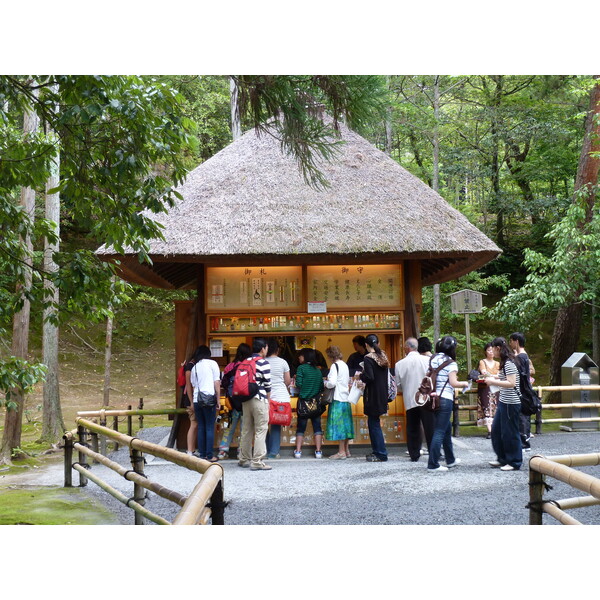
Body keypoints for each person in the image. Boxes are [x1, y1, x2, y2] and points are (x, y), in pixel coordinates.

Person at [427, 336, 470, 473]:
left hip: (433, 397)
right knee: (439, 431)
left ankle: (450, 460)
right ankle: (432, 464)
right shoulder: (451, 363)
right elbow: (453, 383)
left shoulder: (433, 359)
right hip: (445, 398)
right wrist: (464, 383)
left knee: (445, 428)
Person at [485, 337, 523, 471]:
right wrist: (493, 378)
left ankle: (514, 461)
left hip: (511, 402)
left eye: (493, 349)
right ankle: (502, 458)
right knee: (496, 430)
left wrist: (493, 382)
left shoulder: (509, 363)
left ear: (498, 348)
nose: (492, 352)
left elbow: (511, 383)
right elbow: (505, 378)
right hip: (504, 401)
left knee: (510, 432)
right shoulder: (505, 362)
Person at [395, 337, 432, 461]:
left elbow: (398, 385)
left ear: (406, 347)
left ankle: (414, 454)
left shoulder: (399, 364)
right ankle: (434, 451)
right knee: (429, 426)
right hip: (426, 397)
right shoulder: (427, 360)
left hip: (410, 398)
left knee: (412, 427)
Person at [238, 337, 272, 471]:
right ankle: (257, 461)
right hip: (259, 399)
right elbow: (268, 385)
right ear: (263, 348)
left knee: (246, 429)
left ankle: (244, 459)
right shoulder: (263, 363)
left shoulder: (245, 361)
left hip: (246, 399)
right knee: (261, 429)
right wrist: (268, 401)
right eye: (266, 348)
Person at [355, 333, 390, 462]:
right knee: (375, 423)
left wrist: (361, 376)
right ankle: (378, 451)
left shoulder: (368, 358)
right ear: (378, 343)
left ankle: (380, 453)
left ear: (366, 345)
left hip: (373, 395)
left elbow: (370, 377)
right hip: (382, 394)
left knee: (374, 424)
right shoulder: (383, 356)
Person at [217, 343, 251, 460]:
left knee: (230, 426)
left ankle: (223, 450)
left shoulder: (230, 366)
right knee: (244, 427)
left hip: (232, 402)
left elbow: (224, 383)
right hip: (246, 402)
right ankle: (240, 451)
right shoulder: (249, 366)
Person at [190, 345, 221, 462]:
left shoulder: (195, 367)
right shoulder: (212, 364)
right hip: (208, 399)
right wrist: (218, 400)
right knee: (209, 427)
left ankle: (202, 454)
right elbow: (216, 383)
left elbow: (194, 385)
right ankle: (209, 455)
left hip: (197, 399)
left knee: (201, 427)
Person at [324, 345, 354, 459]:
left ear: (331, 356)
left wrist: (324, 383)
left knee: (339, 426)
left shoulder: (334, 366)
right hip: (346, 398)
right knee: (346, 426)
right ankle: (346, 450)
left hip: (337, 398)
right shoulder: (345, 365)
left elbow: (332, 383)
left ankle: (341, 452)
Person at [294, 348, 325, 458]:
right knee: (317, 427)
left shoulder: (301, 368)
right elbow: (321, 387)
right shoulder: (317, 370)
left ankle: (298, 451)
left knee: (301, 427)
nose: (299, 357)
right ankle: (318, 451)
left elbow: (298, 384)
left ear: (305, 356)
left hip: (303, 403)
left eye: (300, 355)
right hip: (315, 403)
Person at [265, 337, 291, 459]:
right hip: (280, 396)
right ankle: (274, 452)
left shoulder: (262, 361)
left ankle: (264, 450)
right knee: (276, 424)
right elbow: (287, 381)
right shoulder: (283, 362)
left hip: (266, 396)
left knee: (263, 424)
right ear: (277, 350)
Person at [509, 332, 535, 452]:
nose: (510, 343)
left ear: (516, 341)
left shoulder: (521, 357)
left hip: (522, 390)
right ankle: (526, 440)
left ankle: (524, 443)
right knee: (525, 415)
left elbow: (518, 375)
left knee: (521, 416)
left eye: (511, 341)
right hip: (526, 389)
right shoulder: (524, 356)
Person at [476, 342, 500, 439]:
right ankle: (490, 431)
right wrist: (494, 376)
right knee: (486, 407)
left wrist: (492, 376)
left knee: (496, 408)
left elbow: (499, 375)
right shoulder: (482, 362)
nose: (491, 352)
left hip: (496, 387)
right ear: (485, 351)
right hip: (485, 388)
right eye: (489, 350)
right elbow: (484, 373)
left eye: (492, 350)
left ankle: (496, 429)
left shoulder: (498, 363)